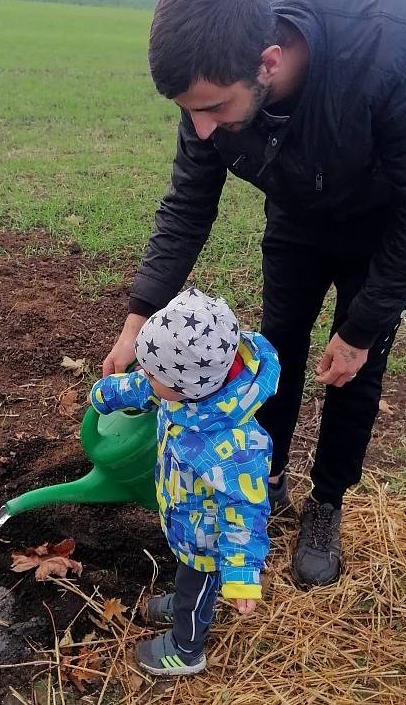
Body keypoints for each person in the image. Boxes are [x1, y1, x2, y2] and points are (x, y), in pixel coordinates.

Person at [103, 0, 406, 587]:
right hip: (298, 209)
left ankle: (326, 502)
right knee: (277, 345)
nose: (202, 129)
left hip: (386, 219)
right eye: (190, 112)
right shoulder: (213, 64)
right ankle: (264, 480)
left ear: (268, 62)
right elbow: (188, 204)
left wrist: (362, 327)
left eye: (214, 109)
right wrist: (139, 317)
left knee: (356, 366)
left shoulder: (392, 45)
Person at [90, 288, 279, 676]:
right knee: (188, 578)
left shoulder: (236, 446)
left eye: (154, 373)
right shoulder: (187, 385)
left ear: (186, 388)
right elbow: (147, 386)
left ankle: (186, 650)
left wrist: (242, 575)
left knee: (197, 588)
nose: (147, 377)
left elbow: (247, 511)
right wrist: (108, 393)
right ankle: (184, 600)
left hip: (208, 541)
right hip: (186, 519)